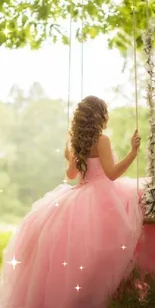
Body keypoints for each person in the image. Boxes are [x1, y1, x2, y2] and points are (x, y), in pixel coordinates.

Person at [0, 96, 147, 308]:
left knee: (78, 254)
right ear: (99, 115)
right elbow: (112, 174)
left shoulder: (75, 142)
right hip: (101, 194)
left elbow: (71, 175)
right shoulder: (101, 139)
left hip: (80, 193)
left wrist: (70, 157)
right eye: (105, 112)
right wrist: (133, 153)